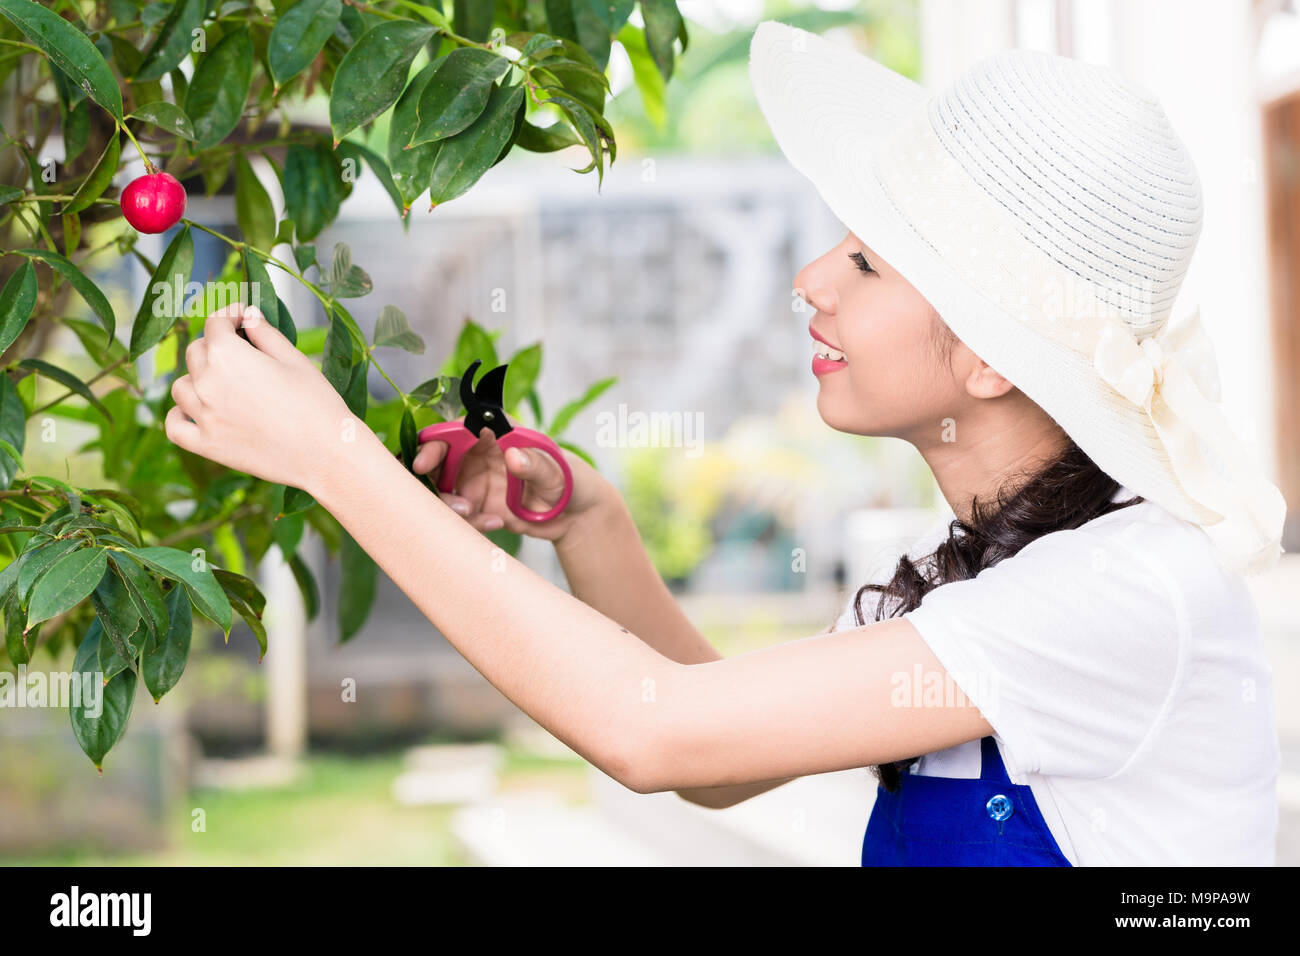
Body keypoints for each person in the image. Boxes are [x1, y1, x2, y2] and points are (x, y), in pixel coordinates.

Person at [163, 20, 1287, 865]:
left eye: (862, 263)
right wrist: (590, 520)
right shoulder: (996, 574)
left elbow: (652, 734)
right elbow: (716, 758)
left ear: (988, 355)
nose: (808, 283)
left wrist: (330, 455)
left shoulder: (1121, 590)